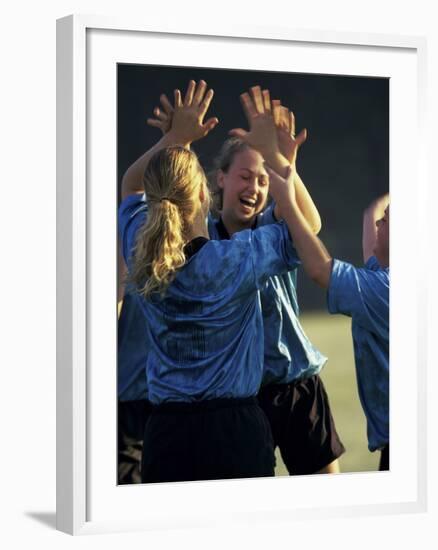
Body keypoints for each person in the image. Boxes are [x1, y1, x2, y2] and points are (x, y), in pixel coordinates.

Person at [148, 85, 345, 475]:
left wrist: (286, 164)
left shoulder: (269, 226)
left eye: (262, 180)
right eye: (244, 177)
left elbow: (311, 223)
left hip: (293, 380)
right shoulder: (209, 245)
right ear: (218, 180)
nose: (254, 188)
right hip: (243, 394)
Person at [119, 80, 307, 483]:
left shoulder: (139, 248)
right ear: (206, 194)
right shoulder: (238, 257)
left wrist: (174, 138)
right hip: (235, 432)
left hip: (166, 433)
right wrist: (279, 160)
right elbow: (302, 227)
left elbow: (130, 185)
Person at [260, 137, 389, 470]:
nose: (379, 224)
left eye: (388, 221)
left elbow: (318, 269)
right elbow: (370, 213)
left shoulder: (385, 291)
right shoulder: (386, 273)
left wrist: (287, 200)